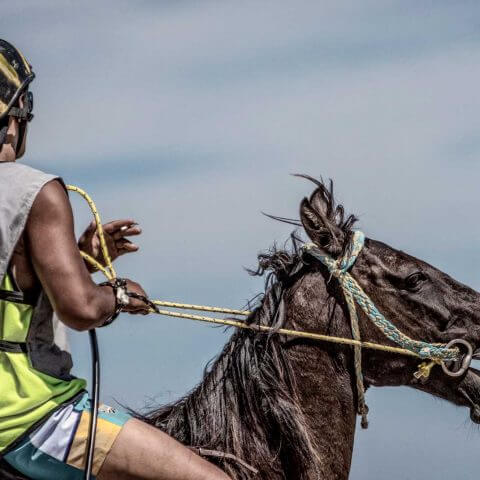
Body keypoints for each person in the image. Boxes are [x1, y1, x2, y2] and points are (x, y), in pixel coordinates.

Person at [0, 39, 230, 480]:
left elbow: (15, 291)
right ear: (15, 114)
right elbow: (81, 309)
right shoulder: (38, 192)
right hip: (30, 419)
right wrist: (119, 295)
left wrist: (80, 259)